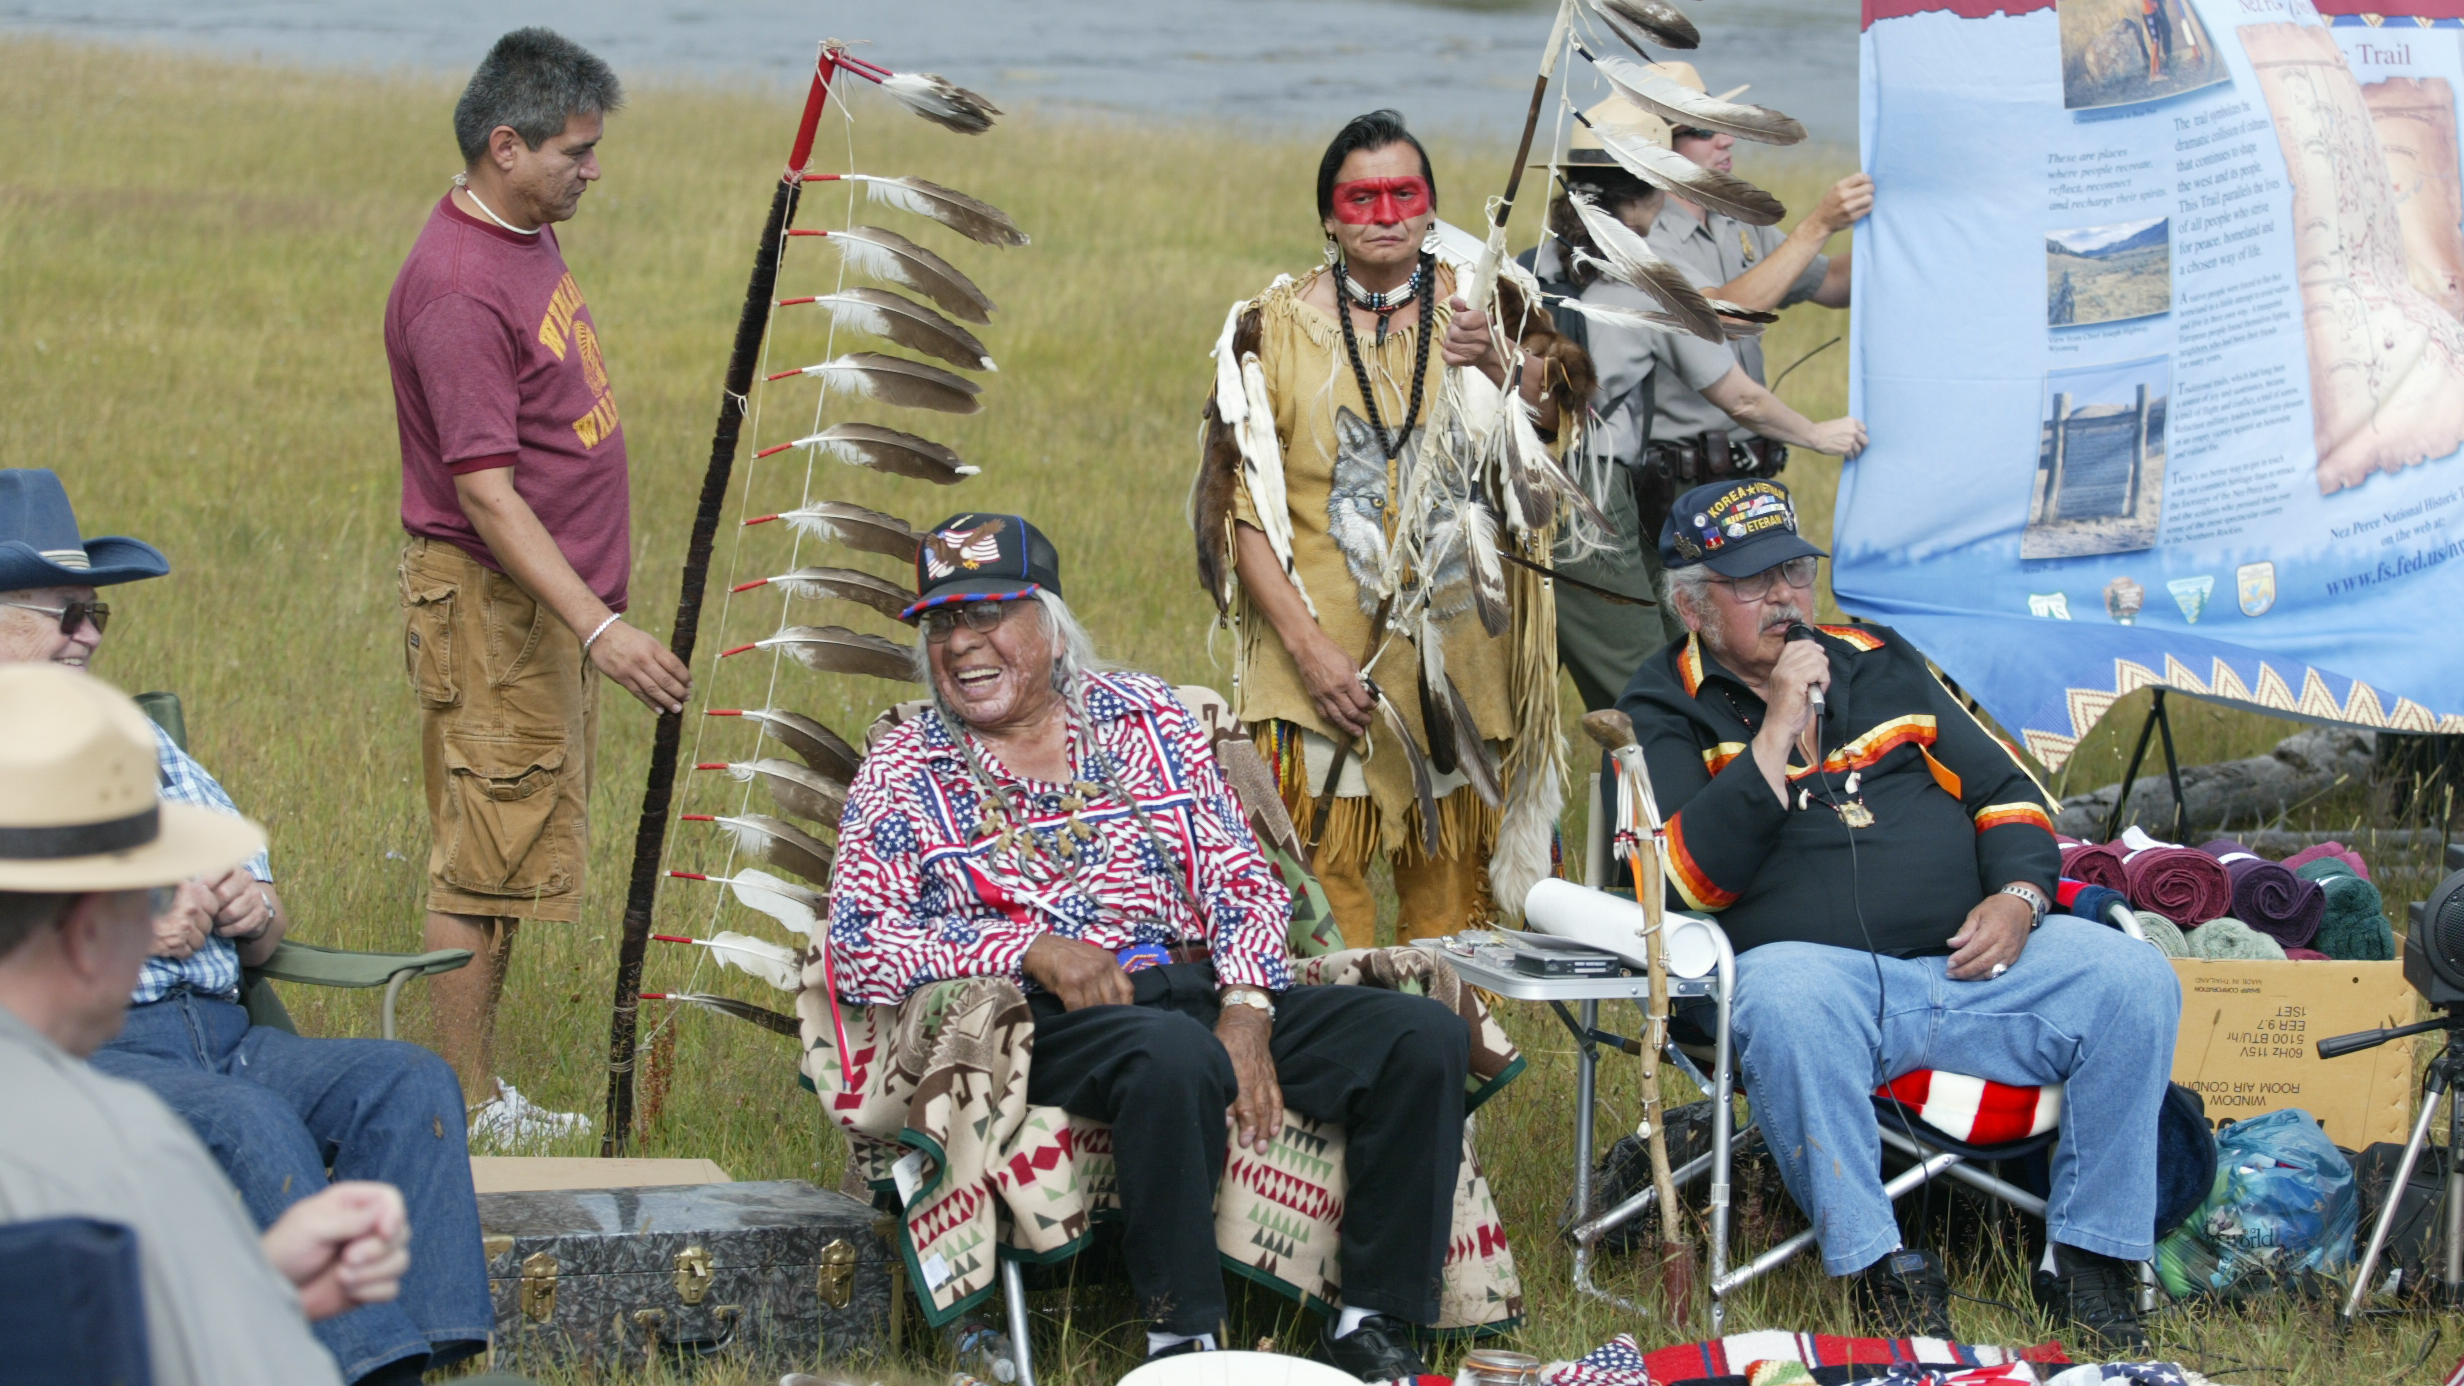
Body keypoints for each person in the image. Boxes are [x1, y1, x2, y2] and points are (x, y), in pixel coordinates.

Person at [830, 513, 1473, 1380]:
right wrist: (1030, 948)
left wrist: (1247, 1009)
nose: (961, 644)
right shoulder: (906, 764)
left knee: (1416, 1034)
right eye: (941, 623)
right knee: (1171, 1054)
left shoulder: (1145, 714)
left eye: (988, 615)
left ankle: (1375, 1322)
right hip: (1046, 1028)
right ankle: (1183, 1338)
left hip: (1196, 988)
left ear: (1051, 626)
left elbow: (1241, 878)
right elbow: (862, 943)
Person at [1616, 479, 2179, 1348]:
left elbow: (2010, 796)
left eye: (1795, 576)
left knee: (2132, 977)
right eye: (1753, 584)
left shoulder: (1880, 660)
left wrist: (2022, 900)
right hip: (1822, 991)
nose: (1784, 599)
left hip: (1977, 972)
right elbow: (1690, 879)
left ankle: (2092, 1265)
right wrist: (1772, 730)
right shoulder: (1662, 703)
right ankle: (1879, 1274)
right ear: (1692, 603)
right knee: (1782, 995)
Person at [0, 470, 492, 1382]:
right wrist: (127, 927)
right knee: (247, 1119)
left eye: (98, 615)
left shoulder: (133, 740)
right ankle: (355, 1364)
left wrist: (251, 910)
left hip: (227, 1032)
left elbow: (263, 920)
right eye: (65, 614)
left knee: (408, 1083)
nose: (89, 637)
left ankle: (429, 1355)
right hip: (87, 1054)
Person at [1192, 109, 1594, 944]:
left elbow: (1559, 431)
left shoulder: (1495, 303)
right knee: (1320, 919)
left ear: (1431, 205)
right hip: (1316, 675)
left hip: (1459, 675)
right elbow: (1238, 515)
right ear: (1330, 217)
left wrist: (1496, 362)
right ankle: (1332, 1065)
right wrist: (1311, 654)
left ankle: (1436, 1068)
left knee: (1448, 923)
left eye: (1404, 193)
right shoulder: (1267, 330)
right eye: (1361, 196)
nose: (1385, 214)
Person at [387, 28, 689, 1130]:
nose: (591, 169)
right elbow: (485, 493)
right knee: (481, 854)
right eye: (575, 151)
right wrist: (600, 628)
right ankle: (457, 1110)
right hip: (494, 606)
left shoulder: (520, 228)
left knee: (515, 852)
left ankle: (479, 1095)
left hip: (542, 607)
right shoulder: (461, 289)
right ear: (503, 146)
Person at [0, 661, 416, 1386]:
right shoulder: (129, 1148)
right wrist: (248, 1306)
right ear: (91, 933)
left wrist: (260, 1281)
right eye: (146, 899)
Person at [1529, 98, 1866, 712]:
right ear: (1655, 189)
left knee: (1525, 682)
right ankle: (1683, 799)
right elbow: (1740, 395)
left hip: (1515, 482)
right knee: (1651, 691)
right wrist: (1817, 434)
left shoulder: (1536, 263)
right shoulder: (1645, 277)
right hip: (1590, 493)